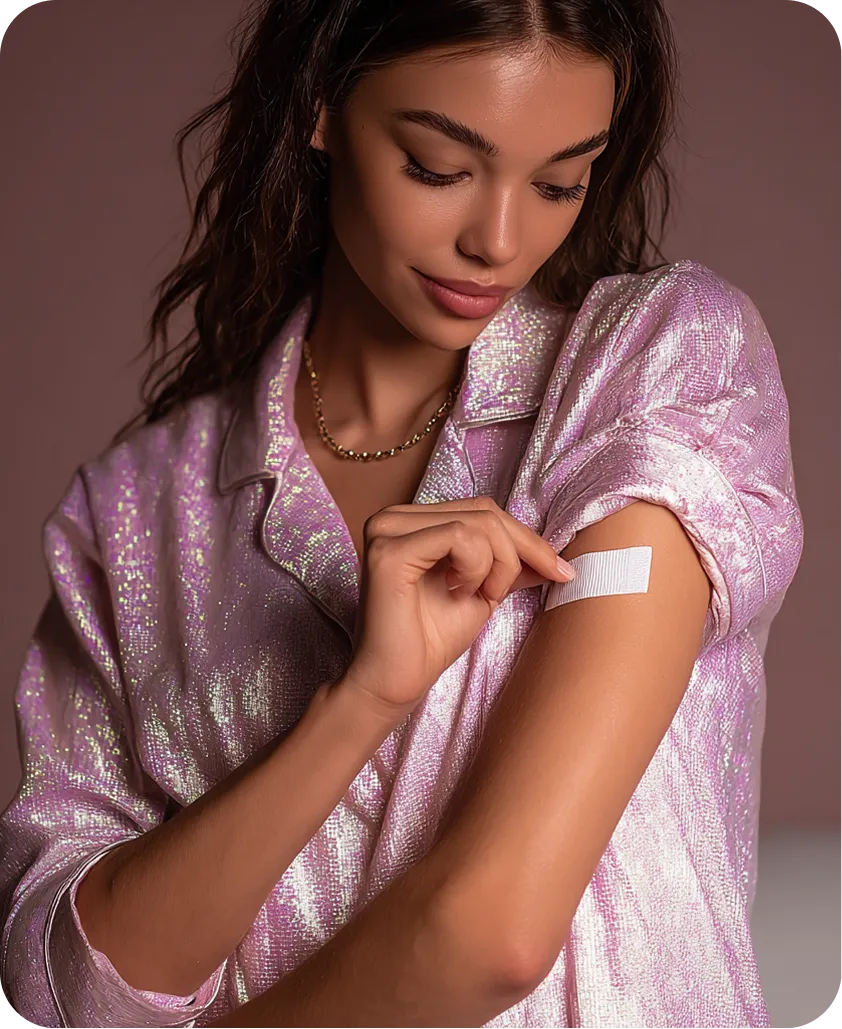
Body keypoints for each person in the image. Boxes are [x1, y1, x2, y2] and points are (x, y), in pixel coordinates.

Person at [0, 0, 804, 1026]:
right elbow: (70, 989)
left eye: (558, 183)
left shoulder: (657, 367)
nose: (497, 241)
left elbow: (493, 932)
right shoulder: (133, 512)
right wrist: (358, 705)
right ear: (322, 105)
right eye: (437, 167)